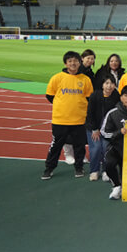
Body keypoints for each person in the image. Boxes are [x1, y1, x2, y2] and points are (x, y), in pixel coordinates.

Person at [41, 51, 94, 180]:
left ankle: (79, 167)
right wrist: (62, 105)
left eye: (75, 61)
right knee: (56, 146)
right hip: (60, 119)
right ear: (65, 63)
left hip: (79, 120)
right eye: (70, 61)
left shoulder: (85, 79)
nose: (73, 63)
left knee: (79, 146)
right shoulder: (57, 78)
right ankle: (49, 168)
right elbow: (50, 96)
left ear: (79, 62)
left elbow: (89, 98)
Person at [101, 85, 127, 199]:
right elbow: (104, 133)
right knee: (109, 163)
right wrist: (119, 132)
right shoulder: (113, 113)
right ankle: (116, 186)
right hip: (117, 147)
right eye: (125, 95)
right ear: (121, 97)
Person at [85, 74, 120, 181]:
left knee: (106, 149)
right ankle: (94, 170)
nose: (109, 86)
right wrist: (94, 129)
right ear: (102, 85)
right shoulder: (95, 95)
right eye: (106, 83)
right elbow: (90, 113)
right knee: (96, 148)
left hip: (108, 129)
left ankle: (106, 170)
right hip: (94, 127)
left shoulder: (116, 96)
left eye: (112, 83)